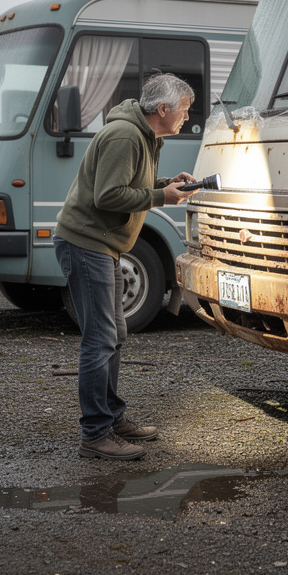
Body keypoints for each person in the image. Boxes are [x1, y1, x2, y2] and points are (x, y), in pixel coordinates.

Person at [54, 73, 196, 460]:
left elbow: (132, 182)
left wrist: (169, 184)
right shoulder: (126, 135)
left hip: (104, 247)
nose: (187, 116)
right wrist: (160, 196)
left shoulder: (147, 136)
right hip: (87, 244)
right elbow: (108, 195)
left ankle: (113, 419)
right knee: (100, 339)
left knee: (114, 334)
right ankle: (96, 433)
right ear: (162, 109)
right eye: (184, 109)